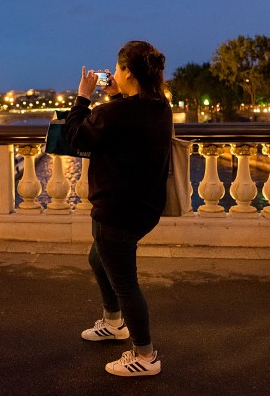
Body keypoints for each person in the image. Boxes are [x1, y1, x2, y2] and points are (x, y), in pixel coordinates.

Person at [63, 39, 172, 377]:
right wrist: (113, 96)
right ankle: (113, 323)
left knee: (126, 283)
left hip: (116, 210)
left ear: (125, 71)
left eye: (118, 67)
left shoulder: (112, 113)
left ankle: (145, 354)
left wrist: (83, 96)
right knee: (98, 258)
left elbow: (74, 137)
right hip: (144, 207)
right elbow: (129, 123)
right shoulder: (160, 106)